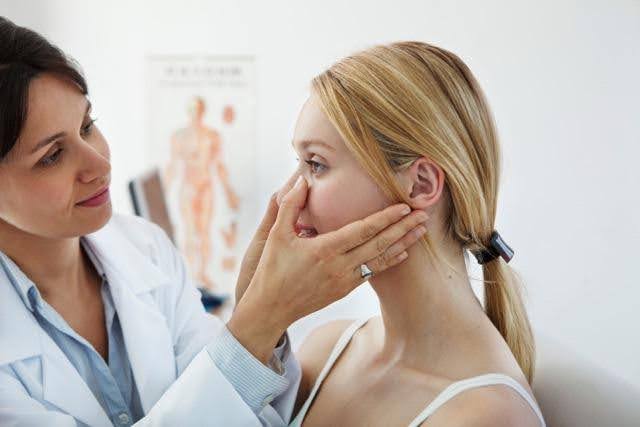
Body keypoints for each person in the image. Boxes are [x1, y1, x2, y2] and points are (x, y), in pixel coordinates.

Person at [0, 18, 429, 427]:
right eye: (52, 156)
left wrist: (258, 313)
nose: (99, 164)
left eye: (88, 126)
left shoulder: (146, 251)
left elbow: (236, 404)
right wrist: (258, 320)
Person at [286, 42, 546, 426]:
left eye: (317, 164)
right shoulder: (326, 351)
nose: (289, 195)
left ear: (421, 184)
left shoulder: (487, 416)